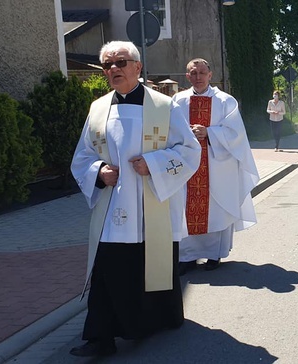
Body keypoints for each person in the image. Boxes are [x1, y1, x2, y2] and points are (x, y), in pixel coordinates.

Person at [69, 41, 201, 357]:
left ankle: (156, 321)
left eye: (121, 62)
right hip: (113, 209)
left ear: (137, 67)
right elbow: (82, 156)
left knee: (151, 268)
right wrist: (99, 171)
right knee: (108, 270)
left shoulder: (164, 107)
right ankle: (101, 337)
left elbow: (189, 151)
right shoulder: (98, 109)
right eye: (107, 65)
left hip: (152, 207)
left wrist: (153, 165)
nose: (114, 69)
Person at [172, 58, 259, 275]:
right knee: (185, 209)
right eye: (194, 73)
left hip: (217, 167)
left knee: (215, 209)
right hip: (187, 167)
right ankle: (187, 257)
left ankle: (213, 254)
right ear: (187, 76)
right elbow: (170, 132)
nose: (198, 77)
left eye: (202, 73)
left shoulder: (225, 101)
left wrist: (209, 133)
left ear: (210, 75)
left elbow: (236, 134)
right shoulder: (177, 101)